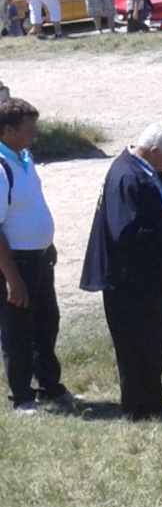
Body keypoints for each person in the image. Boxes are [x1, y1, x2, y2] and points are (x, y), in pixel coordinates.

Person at [81, 120, 162, 419]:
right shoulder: (127, 177)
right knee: (135, 346)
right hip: (129, 281)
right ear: (155, 150)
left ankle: (153, 403)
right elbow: (125, 234)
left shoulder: (151, 171)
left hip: (151, 275)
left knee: (154, 341)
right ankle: (138, 409)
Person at [0, 98, 73, 415]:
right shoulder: (1, 168)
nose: (35, 133)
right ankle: (22, 397)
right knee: (18, 330)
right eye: (29, 128)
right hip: (15, 263)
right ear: (7, 130)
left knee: (47, 323)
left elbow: (32, 205)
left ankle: (50, 388)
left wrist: (47, 242)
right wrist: (12, 279)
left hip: (39, 258)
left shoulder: (24, 157)